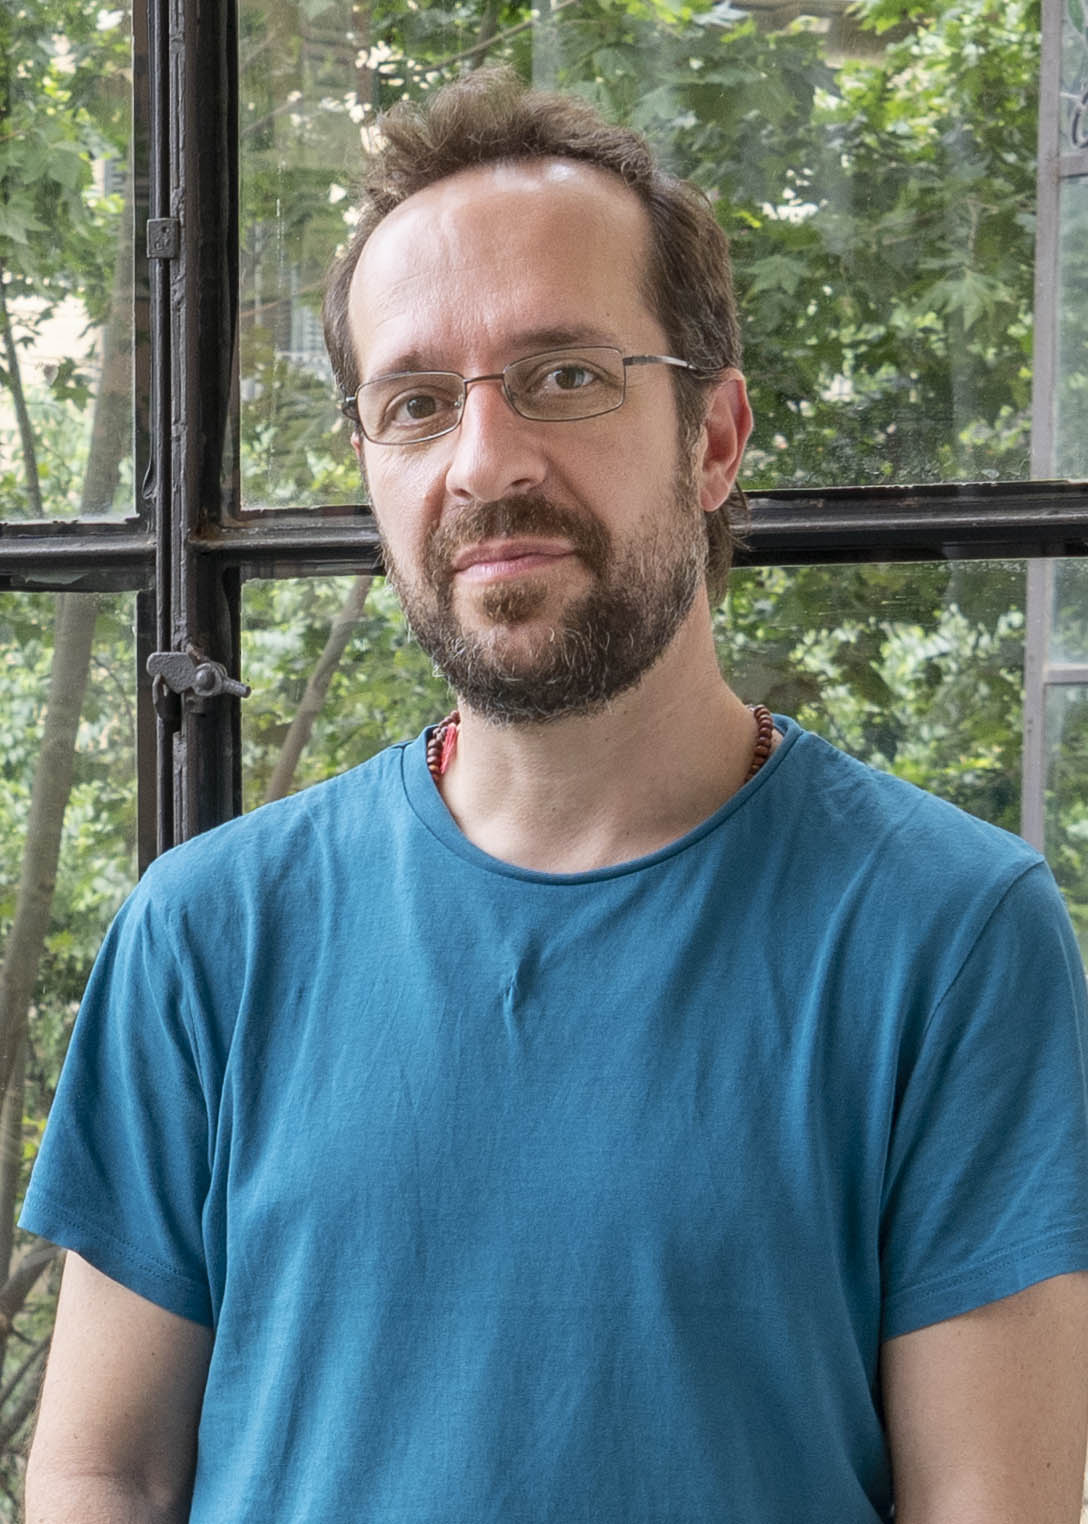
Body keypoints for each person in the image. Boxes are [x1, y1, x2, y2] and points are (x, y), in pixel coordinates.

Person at [21, 68, 1088, 1524]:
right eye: (416, 404)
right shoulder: (207, 933)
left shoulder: (953, 936)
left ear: (714, 439)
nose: (486, 462)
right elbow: (107, 1471)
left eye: (567, 376)